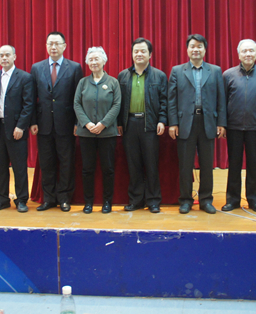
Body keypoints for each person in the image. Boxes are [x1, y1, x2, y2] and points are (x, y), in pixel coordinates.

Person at [168, 34, 227, 215]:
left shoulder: (215, 71)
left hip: (208, 122)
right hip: (185, 123)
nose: (196, 49)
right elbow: (171, 100)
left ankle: (206, 200)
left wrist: (221, 122)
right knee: (186, 165)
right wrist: (173, 123)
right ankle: (186, 200)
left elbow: (221, 99)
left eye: (199, 46)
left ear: (204, 49)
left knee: (207, 165)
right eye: (192, 46)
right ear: (187, 49)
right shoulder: (177, 71)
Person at [30, 32, 83, 212]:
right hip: (43, 124)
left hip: (66, 124)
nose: (53, 47)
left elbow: (78, 98)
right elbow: (32, 97)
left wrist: (77, 123)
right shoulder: (37, 68)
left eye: (57, 43)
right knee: (47, 163)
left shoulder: (74, 68)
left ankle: (65, 198)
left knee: (66, 163)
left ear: (64, 46)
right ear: (46, 46)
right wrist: (33, 121)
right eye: (50, 44)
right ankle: (48, 199)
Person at [117, 38, 167, 214]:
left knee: (151, 164)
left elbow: (164, 101)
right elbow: (118, 102)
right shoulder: (123, 76)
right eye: (136, 51)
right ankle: (136, 200)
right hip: (129, 124)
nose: (139, 54)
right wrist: (119, 123)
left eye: (143, 51)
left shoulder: (159, 76)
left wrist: (162, 120)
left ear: (150, 54)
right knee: (133, 164)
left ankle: (153, 200)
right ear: (132, 54)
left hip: (150, 124)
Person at [222, 39, 256, 213]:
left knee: (254, 165)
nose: (248, 54)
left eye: (251, 51)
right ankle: (232, 200)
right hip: (233, 127)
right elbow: (222, 103)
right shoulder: (228, 75)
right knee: (234, 165)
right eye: (244, 51)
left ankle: (254, 200)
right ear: (239, 54)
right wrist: (223, 124)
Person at [0, 45, 34, 213]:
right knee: (0, 167)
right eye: (1, 55)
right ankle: (2, 199)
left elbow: (28, 105)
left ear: (14, 56)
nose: (4, 58)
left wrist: (21, 126)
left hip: (16, 130)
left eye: (7, 55)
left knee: (19, 167)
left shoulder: (25, 77)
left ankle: (21, 200)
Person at [74, 47, 121, 214]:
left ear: (104, 61)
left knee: (108, 169)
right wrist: (86, 123)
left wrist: (103, 124)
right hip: (86, 133)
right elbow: (76, 104)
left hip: (107, 134)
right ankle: (88, 202)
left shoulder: (113, 82)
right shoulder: (82, 83)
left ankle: (107, 202)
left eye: (97, 59)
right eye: (91, 60)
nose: (93, 62)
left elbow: (117, 105)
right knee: (87, 169)